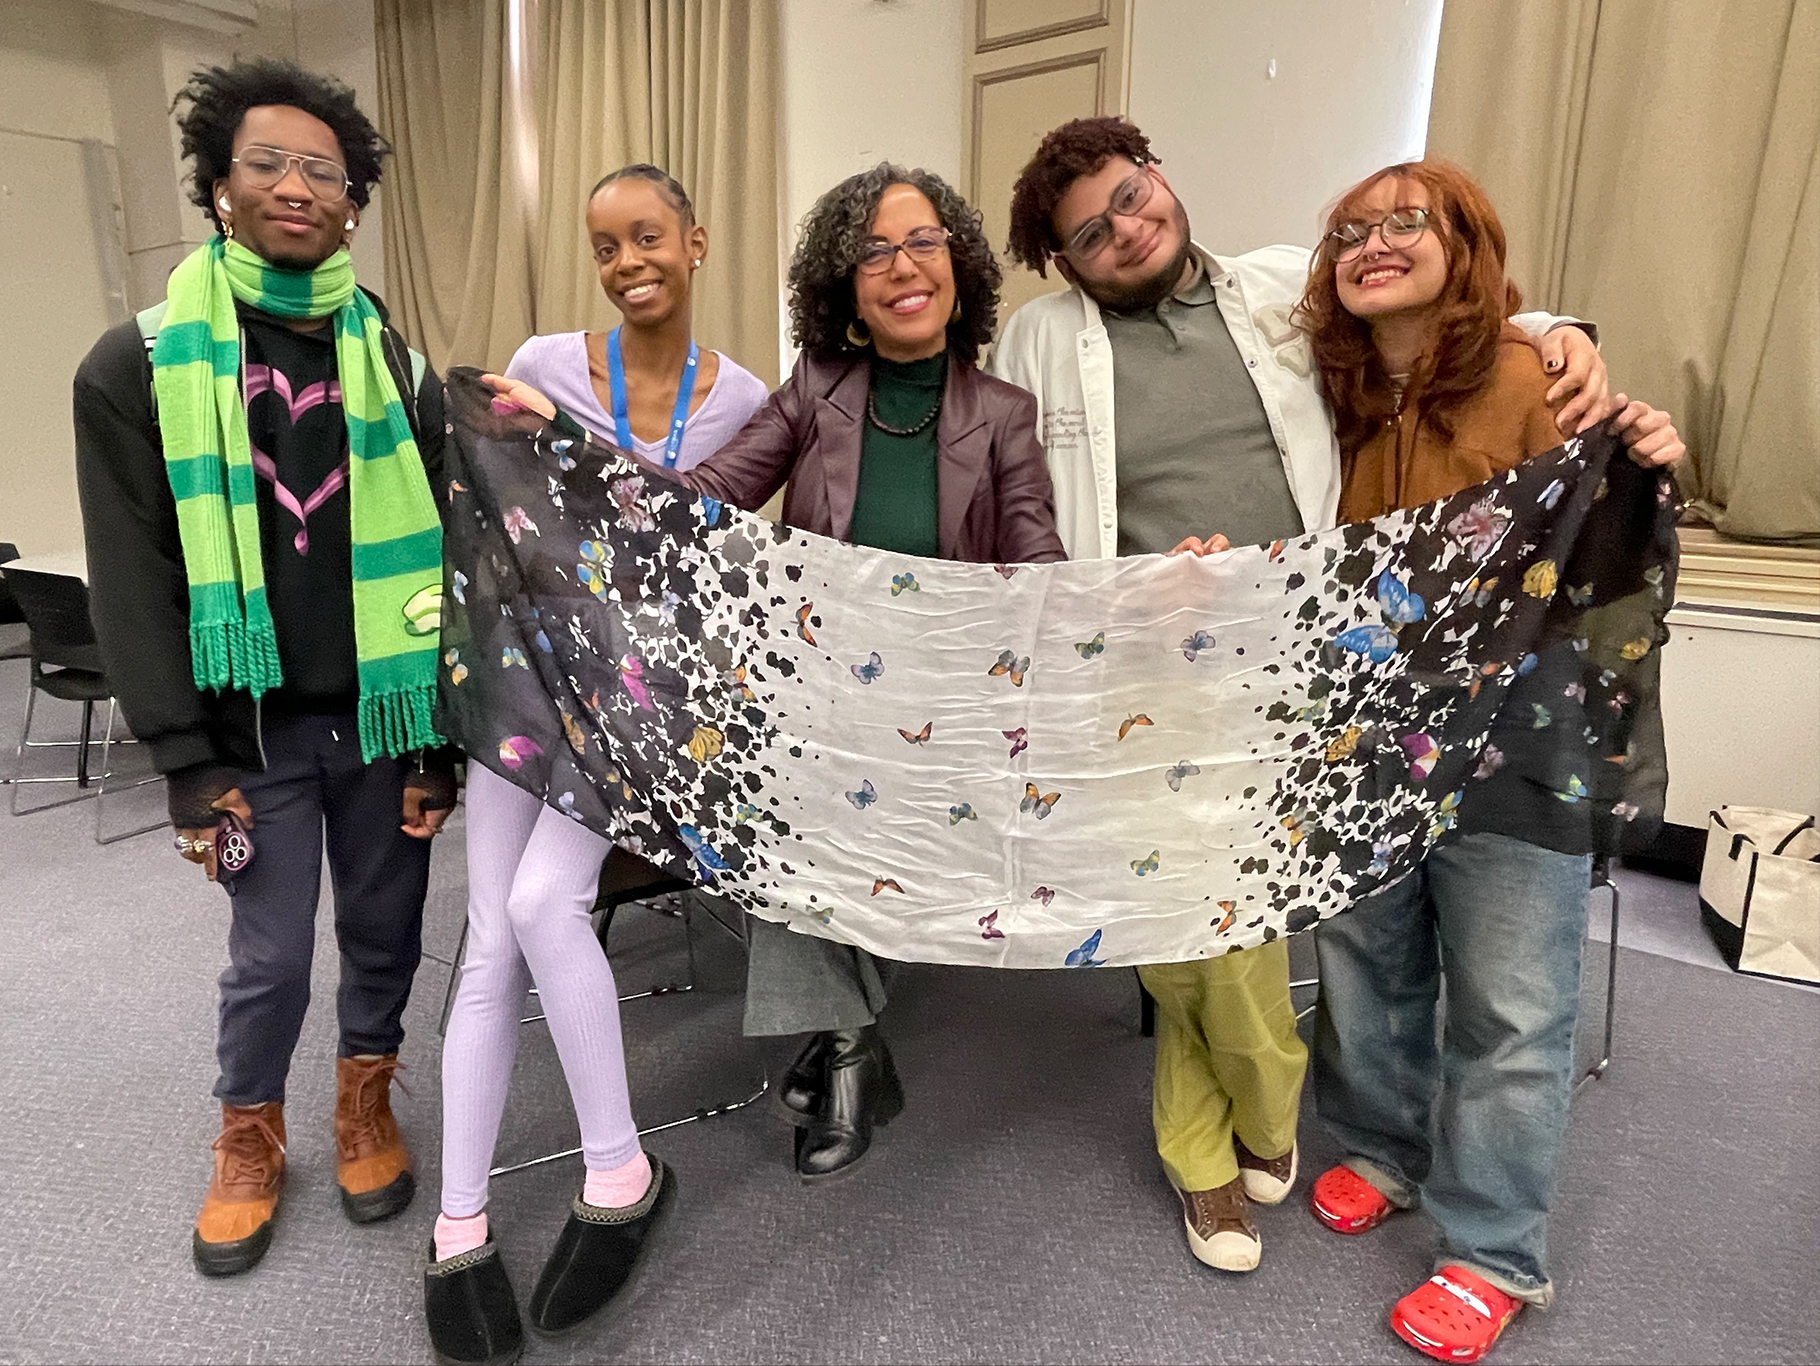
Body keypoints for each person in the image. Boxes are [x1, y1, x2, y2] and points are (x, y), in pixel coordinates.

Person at [987, 115, 1625, 1275]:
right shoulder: (1039, 341)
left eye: (1130, 196)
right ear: (1064, 260)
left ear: (1159, 177)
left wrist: (1555, 331)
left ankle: (1428, 1217)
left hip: (1315, 678)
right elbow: (1006, 486)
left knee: (1302, 934)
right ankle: (1226, 1145)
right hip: (1149, 678)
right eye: (1088, 232)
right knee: (1197, 932)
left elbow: (1432, 327)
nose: (1123, 230)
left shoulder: (1283, 285)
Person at [485, 161, 1066, 1185]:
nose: (900, 266)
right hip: (817, 692)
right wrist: (561, 448)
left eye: (920, 242)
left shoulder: (1005, 413)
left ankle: (842, 1038)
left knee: (859, 834)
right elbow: (699, 501)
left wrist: (1138, 601)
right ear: (845, 285)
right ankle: (847, 1049)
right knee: (761, 806)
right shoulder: (817, 391)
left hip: (940, 703)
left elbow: (1035, 562)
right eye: (873, 251)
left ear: (957, 262)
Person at [1293, 159, 1681, 1364]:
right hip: (1369, 727)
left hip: (1517, 741)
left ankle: (1491, 1250)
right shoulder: (1336, 390)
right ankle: (1378, 1148)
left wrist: (1641, 440)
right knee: (1366, 960)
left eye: (1405, 222)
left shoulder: (1529, 374)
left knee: (1510, 1004)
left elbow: (1609, 507)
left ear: (1464, 242)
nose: (1373, 243)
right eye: (1350, 230)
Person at [72, 59, 453, 1277]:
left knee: (387, 931)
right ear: (217, 188)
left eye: (324, 171)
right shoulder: (133, 364)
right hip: (252, 735)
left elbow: (443, 542)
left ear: (354, 200)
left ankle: (364, 1105)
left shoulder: (390, 357)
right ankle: (248, 1135)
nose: (297, 186)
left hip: (384, 719)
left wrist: (439, 728)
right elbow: (131, 576)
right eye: (267, 164)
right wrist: (182, 758)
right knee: (273, 952)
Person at [423, 164, 767, 1366]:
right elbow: (499, 503)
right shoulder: (546, 365)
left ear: (696, 239)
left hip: (637, 708)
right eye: (606, 245)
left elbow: (739, 575)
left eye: (649, 237)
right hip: (529, 677)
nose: (628, 262)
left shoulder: (748, 402)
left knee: (537, 900)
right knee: (488, 935)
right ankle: (458, 1220)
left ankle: (617, 1167)